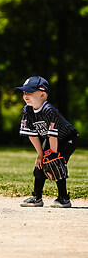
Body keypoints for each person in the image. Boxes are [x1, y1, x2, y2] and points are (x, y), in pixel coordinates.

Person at [15, 75, 78, 208]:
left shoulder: (49, 110)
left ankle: (63, 198)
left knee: (55, 163)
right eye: (24, 92)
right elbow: (32, 135)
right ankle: (37, 197)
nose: (25, 95)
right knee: (40, 164)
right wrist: (40, 154)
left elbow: (53, 136)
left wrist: (53, 155)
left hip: (68, 139)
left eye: (30, 92)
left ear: (42, 94)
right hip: (49, 138)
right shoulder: (27, 110)